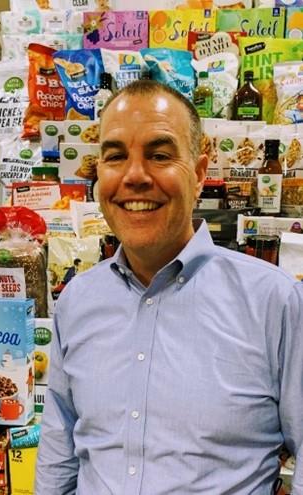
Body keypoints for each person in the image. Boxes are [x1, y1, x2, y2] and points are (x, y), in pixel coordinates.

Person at [35, 80, 303, 494]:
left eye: (159, 155)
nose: (135, 176)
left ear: (198, 174)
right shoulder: (76, 301)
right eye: (115, 157)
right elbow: (59, 454)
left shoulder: (274, 302)